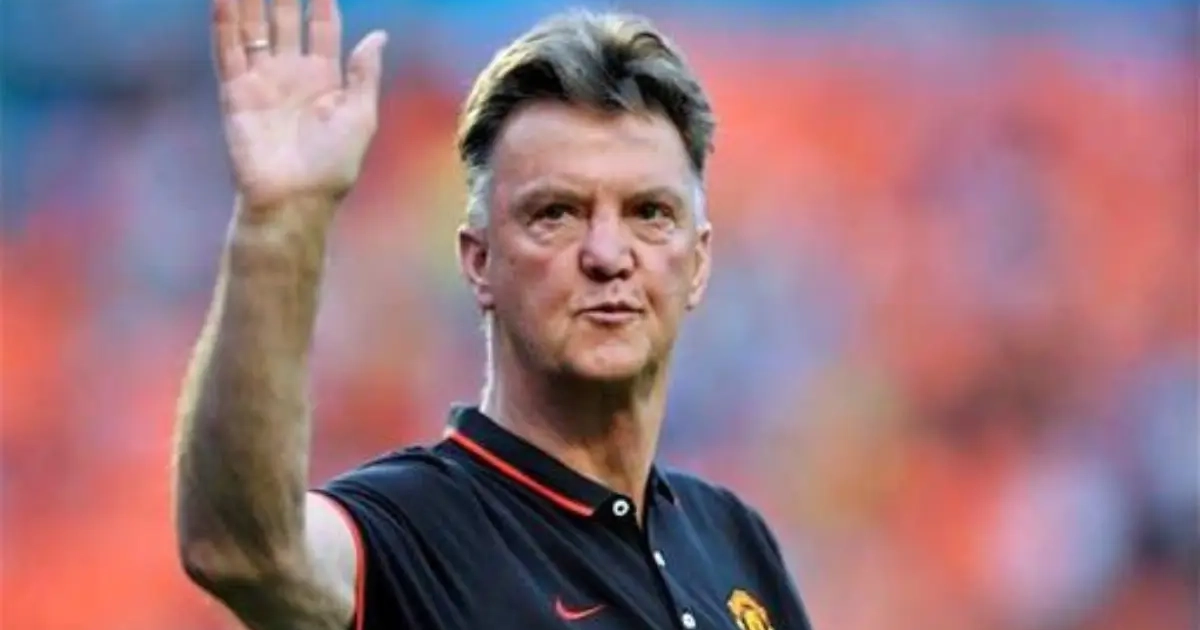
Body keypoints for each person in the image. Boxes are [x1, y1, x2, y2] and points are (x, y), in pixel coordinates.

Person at [172, 0, 815, 628]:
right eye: (556, 214)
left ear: (697, 263)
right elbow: (244, 553)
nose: (607, 254)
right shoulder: (414, 530)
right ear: (479, 263)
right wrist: (280, 217)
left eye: (649, 213)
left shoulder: (734, 540)